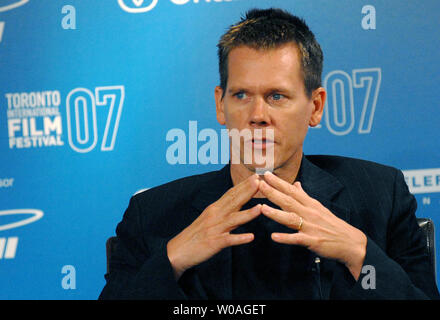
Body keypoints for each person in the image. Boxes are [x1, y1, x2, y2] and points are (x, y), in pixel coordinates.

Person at [99, 8, 439, 300]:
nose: (258, 114)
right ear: (221, 104)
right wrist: (172, 259)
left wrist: (358, 254)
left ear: (316, 106)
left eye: (276, 96)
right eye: (242, 95)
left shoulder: (381, 196)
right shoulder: (153, 215)